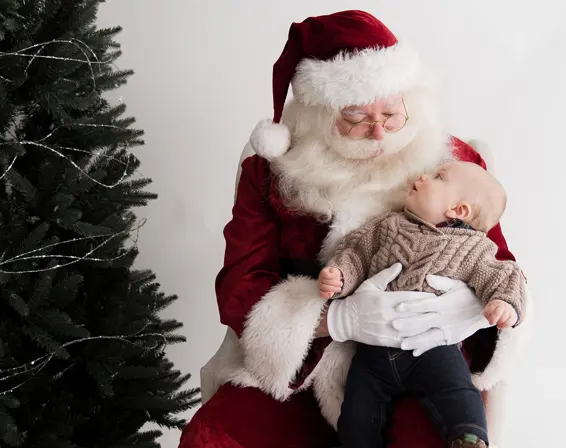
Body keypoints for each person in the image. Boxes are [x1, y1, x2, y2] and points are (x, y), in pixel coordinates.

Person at [179, 10, 532, 448]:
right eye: (356, 117)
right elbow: (240, 286)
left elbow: (501, 267)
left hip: (424, 356)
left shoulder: (453, 163)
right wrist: (335, 320)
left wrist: (464, 311)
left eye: (391, 113)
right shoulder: (271, 173)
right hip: (303, 366)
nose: (378, 131)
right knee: (215, 438)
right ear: (318, 113)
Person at [318, 161, 527, 448]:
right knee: (357, 412)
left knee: (457, 389)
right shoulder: (388, 225)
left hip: (434, 348)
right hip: (373, 351)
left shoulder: (473, 247)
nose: (422, 176)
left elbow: (504, 274)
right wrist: (340, 275)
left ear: (459, 210)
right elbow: (356, 253)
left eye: (438, 177)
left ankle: (469, 436)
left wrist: (504, 303)